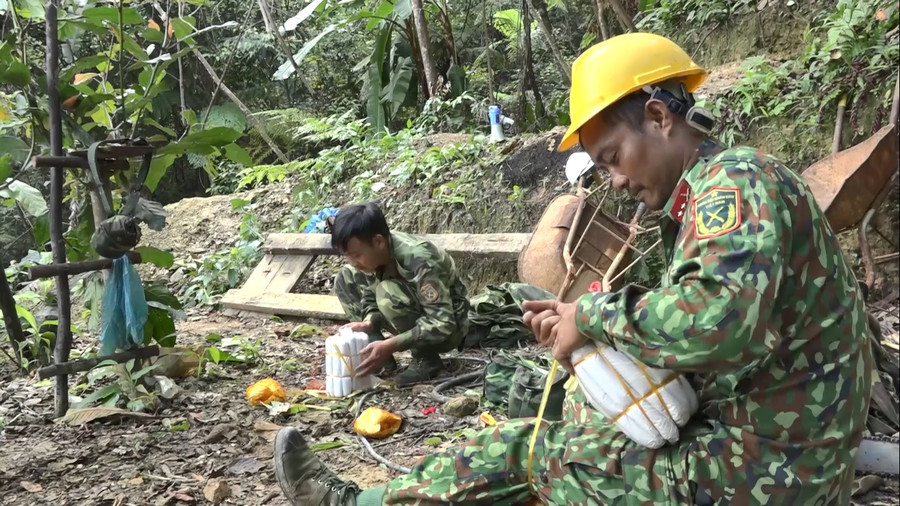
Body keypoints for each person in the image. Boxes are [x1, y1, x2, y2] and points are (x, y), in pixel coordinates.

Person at [272, 33, 873, 505]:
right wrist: (583, 330)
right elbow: (710, 318)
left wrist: (591, 313)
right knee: (571, 406)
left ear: (660, 118)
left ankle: (351, 501)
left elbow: (713, 321)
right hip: (775, 442)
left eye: (613, 157)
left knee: (523, 450)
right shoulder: (714, 189)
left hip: (768, 470)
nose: (614, 179)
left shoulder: (732, 185)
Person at [330, 201, 470, 386]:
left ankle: (425, 359)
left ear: (379, 242)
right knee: (346, 276)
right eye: (347, 255)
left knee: (389, 294)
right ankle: (373, 352)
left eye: (356, 255)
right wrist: (369, 323)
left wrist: (391, 345)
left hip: (451, 328)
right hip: (418, 316)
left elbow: (443, 323)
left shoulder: (419, 259)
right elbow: (371, 298)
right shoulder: (374, 257)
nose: (352, 261)